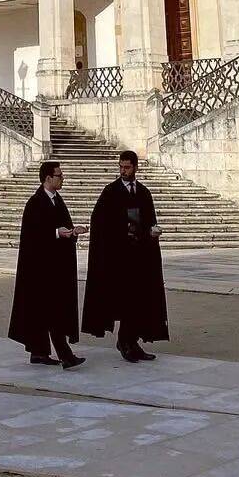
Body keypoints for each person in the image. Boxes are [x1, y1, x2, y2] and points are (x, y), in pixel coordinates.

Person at [81, 149, 169, 362]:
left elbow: (149, 220)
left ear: (135, 167)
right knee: (126, 301)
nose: (123, 171)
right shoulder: (111, 192)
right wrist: (121, 231)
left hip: (140, 258)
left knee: (140, 301)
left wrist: (151, 231)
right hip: (118, 259)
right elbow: (99, 222)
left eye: (127, 167)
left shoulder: (143, 192)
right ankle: (124, 341)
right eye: (121, 167)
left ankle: (133, 341)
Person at [8, 160, 86, 369]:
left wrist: (72, 232)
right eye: (59, 175)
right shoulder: (35, 203)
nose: (62, 179)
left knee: (45, 312)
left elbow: (63, 227)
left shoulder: (57, 200)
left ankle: (39, 352)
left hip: (56, 268)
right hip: (40, 269)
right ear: (48, 178)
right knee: (52, 312)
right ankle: (65, 355)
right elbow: (32, 234)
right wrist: (56, 233)